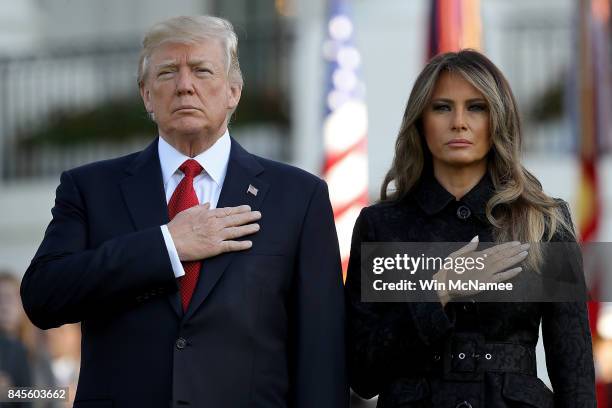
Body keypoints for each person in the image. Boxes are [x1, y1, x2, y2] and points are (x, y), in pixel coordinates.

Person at [21, 15, 347, 408]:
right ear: (146, 95)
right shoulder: (90, 188)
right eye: (168, 72)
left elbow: (321, 350)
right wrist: (165, 246)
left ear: (233, 91)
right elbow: (43, 297)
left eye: (202, 70)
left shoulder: (298, 196)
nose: (184, 85)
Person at [345, 50, 595, 407]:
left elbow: (574, 370)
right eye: (442, 107)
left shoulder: (546, 221)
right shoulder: (382, 225)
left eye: (476, 107)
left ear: (498, 119)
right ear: (420, 121)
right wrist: (438, 293)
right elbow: (362, 374)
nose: (459, 122)